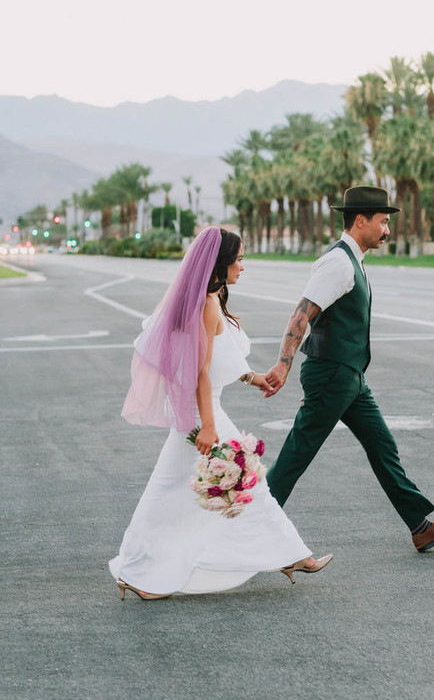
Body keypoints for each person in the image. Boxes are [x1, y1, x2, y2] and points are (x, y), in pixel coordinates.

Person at [109, 226, 332, 599]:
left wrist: (253, 377)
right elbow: (198, 372)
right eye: (240, 259)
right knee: (241, 485)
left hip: (202, 413)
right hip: (203, 415)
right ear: (221, 263)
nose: (243, 266)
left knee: (201, 488)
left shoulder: (208, 298)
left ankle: (290, 556)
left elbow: (214, 362)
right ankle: (291, 556)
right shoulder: (207, 304)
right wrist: (208, 427)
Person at [264, 186, 434, 553]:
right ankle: (250, 524)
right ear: (361, 220)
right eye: (383, 222)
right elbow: (302, 313)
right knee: (298, 453)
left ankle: (420, 526)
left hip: (349, 377)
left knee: (382, 444)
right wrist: (284, 364)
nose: (387, 231)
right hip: (334, 375)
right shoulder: (338, 263)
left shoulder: (353, 260)